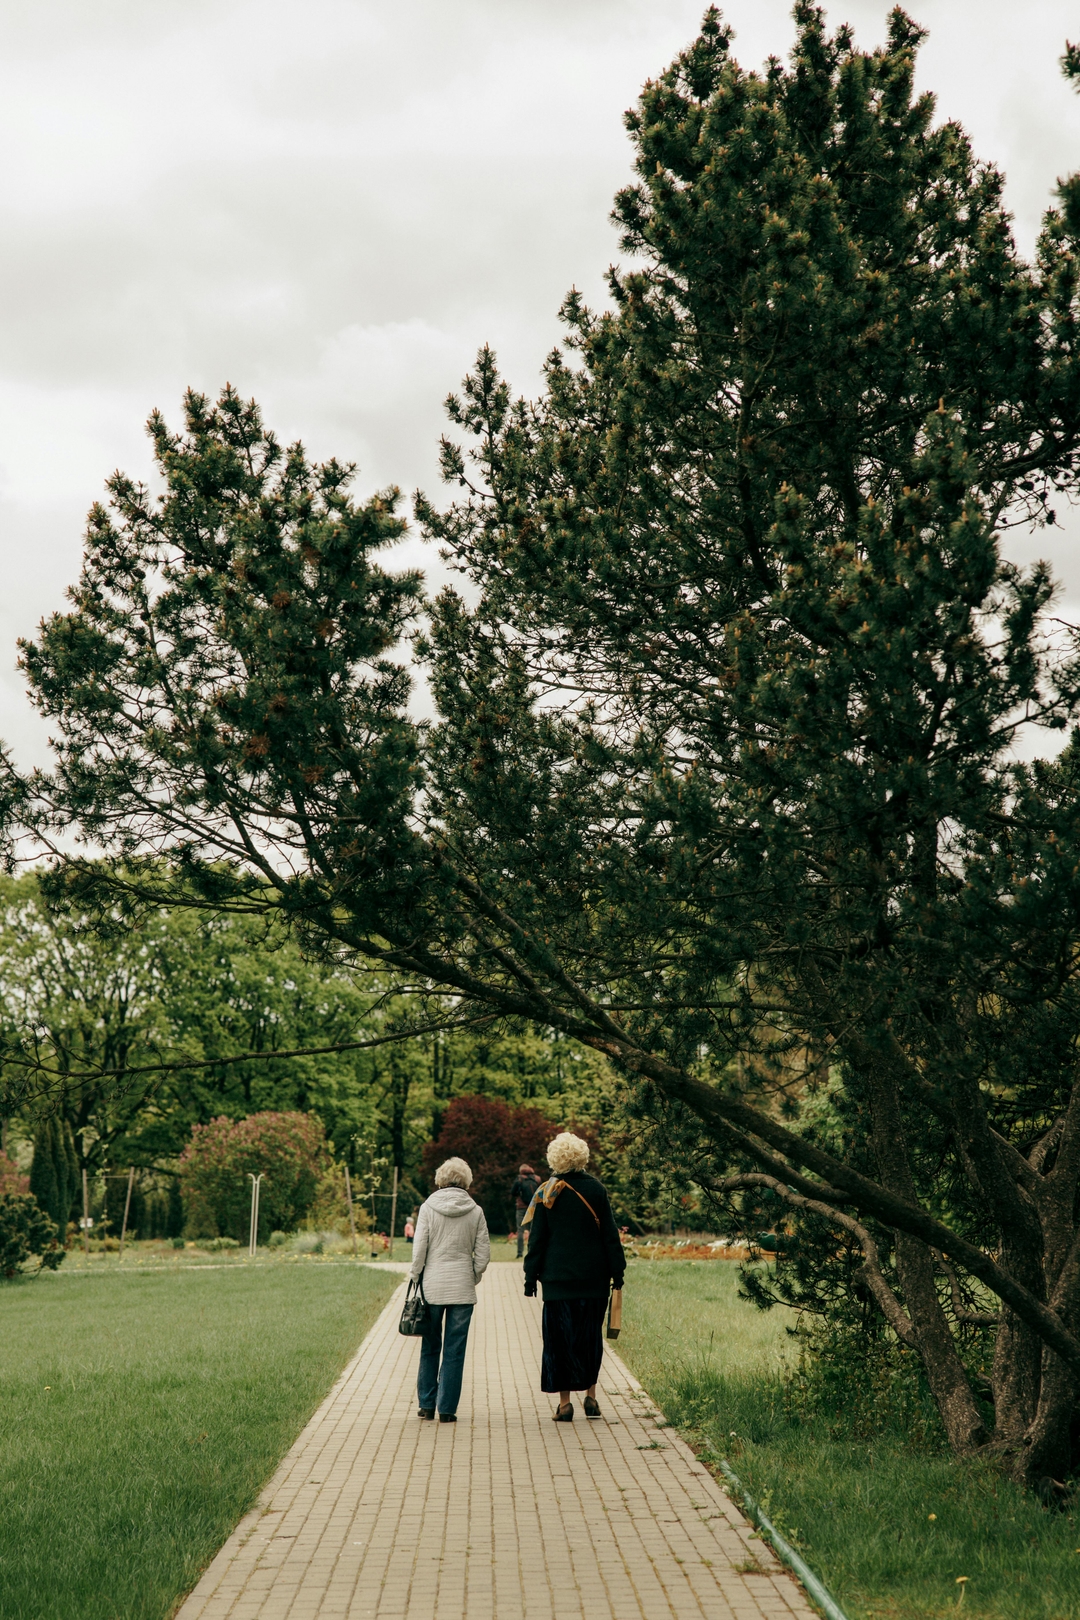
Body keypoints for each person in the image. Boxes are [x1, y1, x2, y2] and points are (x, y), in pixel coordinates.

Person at [522, 1131, 624, 1422]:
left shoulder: (546, 1192)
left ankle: (565, 1404)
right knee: (590, 1338)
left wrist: (531, 1277)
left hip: (557, 1281)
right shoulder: (597, 1190)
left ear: (554, 1157)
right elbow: (610, 1236)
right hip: (594, 1280)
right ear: (582, 1156)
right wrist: (618, 1272)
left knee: (559, 1341)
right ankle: (591, 1398)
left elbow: (537, 1241)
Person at [409, 1158, 490, 1422]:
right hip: (462, 1289)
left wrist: (416, 1275)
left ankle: (426, 1404)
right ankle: (447, 1409)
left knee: (430, 1346)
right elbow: (484, 1254)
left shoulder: (427, 1208)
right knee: (455, 1350)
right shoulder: (475, 1210)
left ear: (440, 1179)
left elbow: (419, 1248)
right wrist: (473, 1275)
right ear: (466, 1180)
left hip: (432, 1286)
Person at [510, 1163, 541, 1258]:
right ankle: (532, 1252)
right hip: (533, 1207)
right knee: (533, 1230)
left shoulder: (519, 1179)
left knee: (520, 1230)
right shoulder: (537, 1179)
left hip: (521, 1207)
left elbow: (512, 1192)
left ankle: (520, 1253)